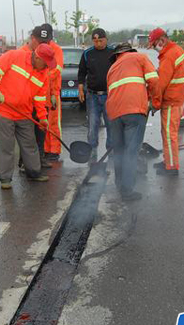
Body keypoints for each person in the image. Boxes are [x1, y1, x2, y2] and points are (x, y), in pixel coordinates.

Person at [0, 43, 57, 189]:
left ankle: (34, 173)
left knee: (30, 144)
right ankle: (5, 179)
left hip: (24, 113)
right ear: (37, 57)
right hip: (5, 110)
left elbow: (39, 98)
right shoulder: (13, 56)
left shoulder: (43, 74)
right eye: (45, 63)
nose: (46, 67)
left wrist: (43, 118)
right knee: (6, 146)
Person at [106, 43, 160, 201]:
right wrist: (155, 102)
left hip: (114, 112)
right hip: (134, 110)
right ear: (130, 51)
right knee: (131, 150)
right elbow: (154, 81)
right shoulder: (139, 57)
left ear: (117, 55)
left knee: (119, 150)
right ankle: (127, 190)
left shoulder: (112, 69)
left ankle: (119, 183)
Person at [148, 28, 184, 176]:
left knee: (169, 134)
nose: (154, 48)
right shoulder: (175, 50)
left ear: (162, 41)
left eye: (154, 45)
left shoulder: (169, 56)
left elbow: (161, 84)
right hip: (176, 98)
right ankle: (167, 161)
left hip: (171, 100)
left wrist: (154, 103)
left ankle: (171, 167)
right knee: (166, 132)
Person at [78, 28, 115, 160]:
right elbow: (81, 72)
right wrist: (81, 88)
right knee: (93, 125)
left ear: (106, 39)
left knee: (111, 125)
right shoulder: (88, 54)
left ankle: (111, 151)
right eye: (95, 41)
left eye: (100, 41)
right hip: (92, 96)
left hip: (109, 96)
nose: (98, 43)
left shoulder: (113, 53)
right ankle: (92, 151)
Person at [21, 25, 53, 168]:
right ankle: (24, 163)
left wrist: (53, 93)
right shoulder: (22, 54)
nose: (43, 45)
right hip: (25, 103)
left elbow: (52, 74)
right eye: (40, 42)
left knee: (40, 132)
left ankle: (40, 158)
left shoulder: (50, 51)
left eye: (46, 42)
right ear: (33, 39)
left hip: (41, 100)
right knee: (27, 136)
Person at [41, 23, 65, 162]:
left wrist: (42, 76)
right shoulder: (38, 46)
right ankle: (45, 149)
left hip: (53, 92)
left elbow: (57, 69)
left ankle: (54, 150)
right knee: (42, 122)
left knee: (54, 122)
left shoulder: (57, 49)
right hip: (40, 92)